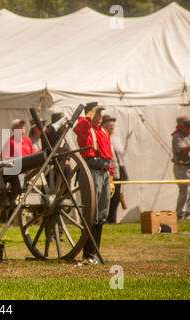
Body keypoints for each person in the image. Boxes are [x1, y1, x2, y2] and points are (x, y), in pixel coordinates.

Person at [74, 102, 113, 265]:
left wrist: (111, 179)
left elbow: (109, 156)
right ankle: (89, 252)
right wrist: (86, 116)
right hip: (92, 170)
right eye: (97, 114)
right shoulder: (86, 129)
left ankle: (95, 252)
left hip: (103, 172)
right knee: (92, 213)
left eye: (100, 114)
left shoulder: (103, 131)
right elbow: (78, 128)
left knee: (102, 213)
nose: (100, 117)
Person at [102, 115, 128, 223]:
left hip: (119, 168)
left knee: (117, 195)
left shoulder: (116, 139)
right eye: (109, 126)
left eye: (112, 126)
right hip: (109, 169)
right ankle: (104, 217)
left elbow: (120, 154)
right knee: (108, 195)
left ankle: (112, 218)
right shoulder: (103, 137)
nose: (111, 128)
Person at [171, 116, 190, 220]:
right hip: (181, 167)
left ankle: (188, 214)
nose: (189, 127)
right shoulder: (177, 137)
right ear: (181, 126)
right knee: (184, 190)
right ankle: (179, 214)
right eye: (187, 125)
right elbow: (183, 152)